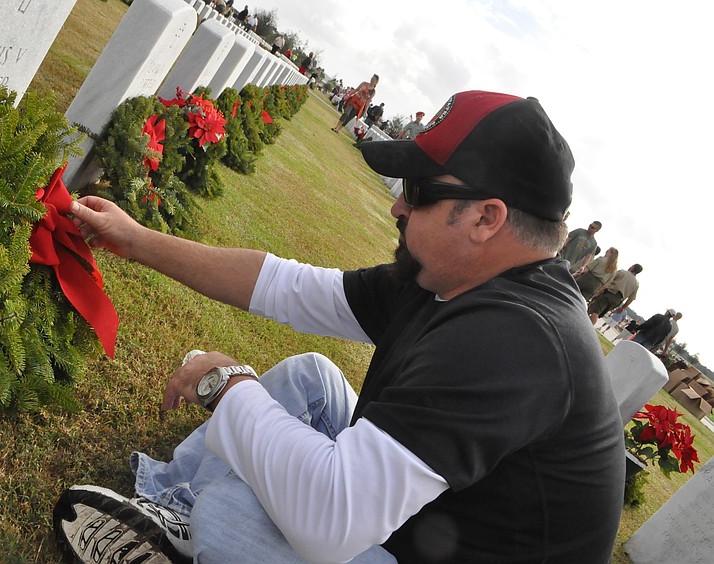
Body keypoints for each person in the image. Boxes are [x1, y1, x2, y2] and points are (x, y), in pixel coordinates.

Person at [53, 90, 624, 563]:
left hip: (420, 544)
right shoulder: (463, 275)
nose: (398, 208)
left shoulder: (516, 339)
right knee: (310, 380)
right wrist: (136, 241)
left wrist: (227, 386)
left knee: (231, 517)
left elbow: (330, 518)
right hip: (425, 524)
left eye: (419, 193)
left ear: (485, 217)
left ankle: (197, 530)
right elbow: (284, 286)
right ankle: (171, 512)